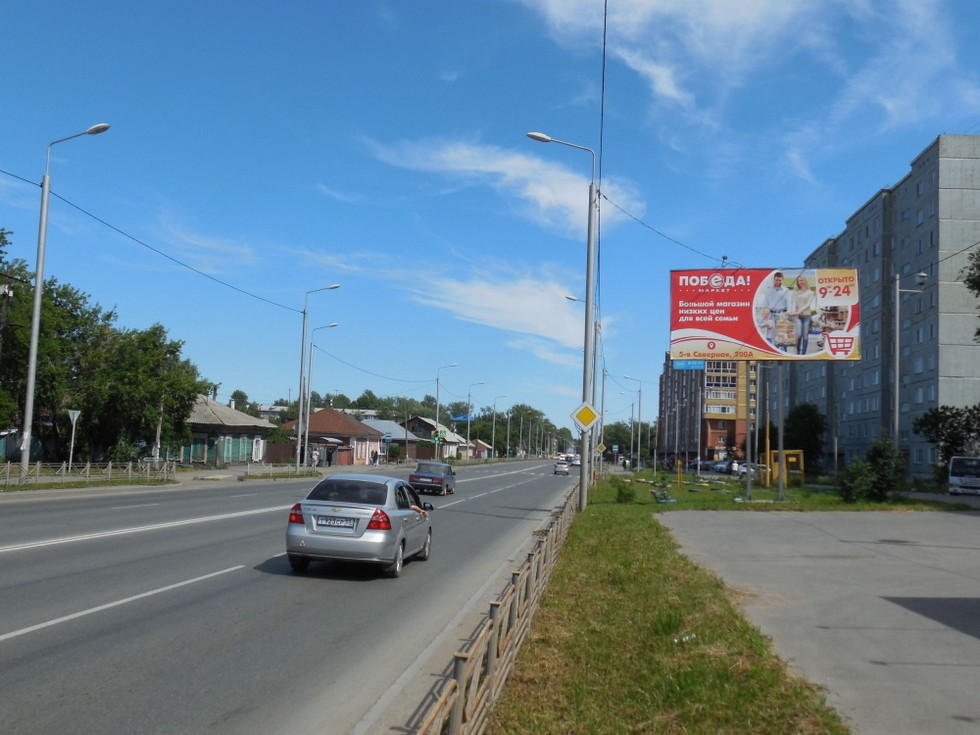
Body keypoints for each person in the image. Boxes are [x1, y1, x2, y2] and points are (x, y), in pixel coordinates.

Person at [760, 271, 791, 350]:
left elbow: (789, 304)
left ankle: (783, 357)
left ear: (782, 280)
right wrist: (765, 319)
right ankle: (773, 356)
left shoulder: (786, 290)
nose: (778, 282)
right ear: (774, 280)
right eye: (776, 280)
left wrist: (787, 317)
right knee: (771, 337)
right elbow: (765, 305)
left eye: (779, 280)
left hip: (782, 315)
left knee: (782, 338)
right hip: (772, 316)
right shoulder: (769, 290)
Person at [789, 274, 816, 355]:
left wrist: (799, 311)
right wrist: (793, 311)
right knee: (798, 335)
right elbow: (793, 303)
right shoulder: (795, 292)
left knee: (805, 336)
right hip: (797, 316)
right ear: (797, 282)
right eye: (799, 281)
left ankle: (803, 353)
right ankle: (797, 351)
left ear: (805, 281)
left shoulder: (810, 292)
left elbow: (808, 304)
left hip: (806, 316)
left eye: (802, 280)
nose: (801, 282)